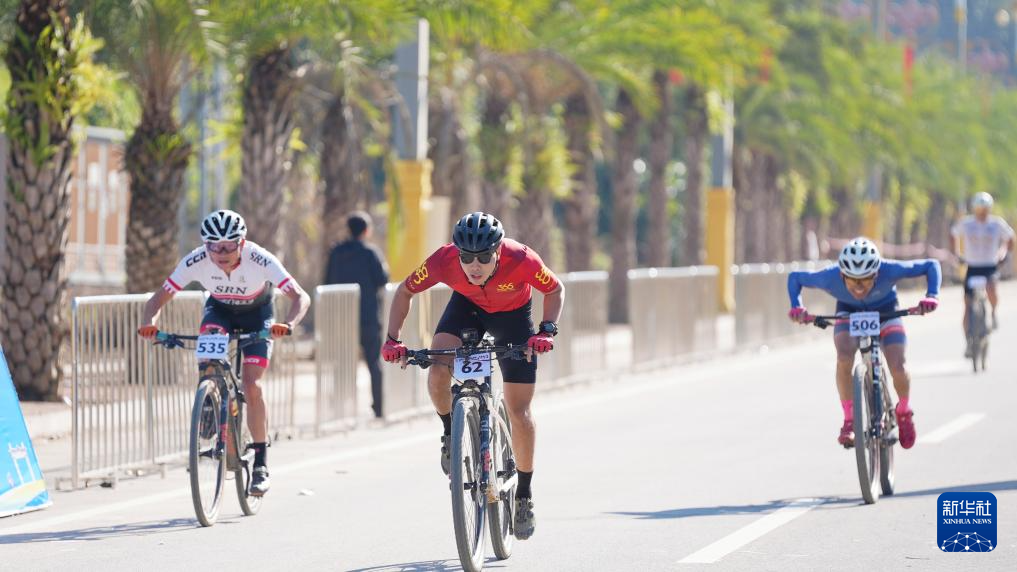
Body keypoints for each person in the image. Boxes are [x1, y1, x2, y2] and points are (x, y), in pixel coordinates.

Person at [381, 212, 564, 541]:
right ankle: (450, 432)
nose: (474, 265)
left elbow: (555, 289)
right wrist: (393, 339)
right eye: (466, 258)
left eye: (483, 257)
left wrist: (546, 331)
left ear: (498, 252)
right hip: (466, 310)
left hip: (513, 319)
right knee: (438, 370)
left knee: (520, 412)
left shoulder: (521, 258)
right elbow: (405, 291)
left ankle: (523, 495)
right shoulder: (443, 260)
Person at [137, 209, 311, 496]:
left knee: (252, 385)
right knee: (208, 358)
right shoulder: (196, 260)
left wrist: (288, 325)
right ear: (206, 245)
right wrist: (149, 325)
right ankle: (208, 402)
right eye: (214, 246)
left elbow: (300, 297)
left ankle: (260, 464)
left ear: (242, 243)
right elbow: (156, 301)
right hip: (219, 312)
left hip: (258, 315)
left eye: (229, 246)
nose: (221, 253)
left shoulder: (260, 258)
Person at [786, 237, 940, 451]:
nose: (859, 287)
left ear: (877, 273)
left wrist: (932, 296)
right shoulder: (830, 277)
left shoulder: (889, 270)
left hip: (886, 311)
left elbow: (931, 265)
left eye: (866, 280)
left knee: (898, 366)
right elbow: (795, 277)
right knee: (843, 358)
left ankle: (904, 411)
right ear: (842, 275)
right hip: (848, 312)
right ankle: (849, 420)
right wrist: (797, 307)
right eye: (852, 281)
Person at [323, 211, 390, 418]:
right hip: (368, 317)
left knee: (342, 363)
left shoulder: (336, 252)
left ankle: (341, 407)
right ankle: (378, 407)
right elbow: (382, 279)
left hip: (342, 317)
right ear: (366, 230)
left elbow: (327, 281)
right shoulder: (370, 253)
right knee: (374, 363)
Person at [950, 192, 1014, 339]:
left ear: (989, 209)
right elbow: (953, 234)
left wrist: (1004, 253)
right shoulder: (966, 223)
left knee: (991, 289)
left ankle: (993, 311)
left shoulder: (996, 223)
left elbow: (1010, 237)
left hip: (990, 266)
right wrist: (957, 253)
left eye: (985, 210)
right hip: (972, 267)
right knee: (967, 305)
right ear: (974, 209)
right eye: (979, 210)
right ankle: (968, 340)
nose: (982, 213)